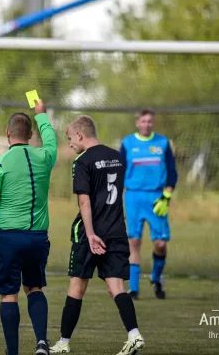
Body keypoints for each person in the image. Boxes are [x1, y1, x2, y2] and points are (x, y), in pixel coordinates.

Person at [49, 115, 145, 355]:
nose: (70, 143)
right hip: (115, 230)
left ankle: (64, 342)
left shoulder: (82, 160)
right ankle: (134, 334)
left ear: (80, 135)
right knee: (116, 287)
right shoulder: (118, 157)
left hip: (90, 234)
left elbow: (85, 201)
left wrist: (90, 234)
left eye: (70, 138)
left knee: (77, 287)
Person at [0, 99, 57, 355]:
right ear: (30, 135)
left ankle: (13, 352)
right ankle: (42, 342)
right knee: (34, 287)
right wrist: (41, 114)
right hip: (38, 238)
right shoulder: (44, 158)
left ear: (7, 133)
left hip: (8, 238)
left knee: (9, 294)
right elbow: (51, 142)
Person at [120, 109, 178, 300]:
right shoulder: (127, 144)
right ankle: (134, 289)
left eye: (150, 121)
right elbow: (120, 173)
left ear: (153, 123)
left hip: (156, 198)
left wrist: (167, 196)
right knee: (134, 241)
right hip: (134, 197)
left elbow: (171, 171)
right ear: (137, 123)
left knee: (160, 244)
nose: (146, 124)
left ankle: (156, 278)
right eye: (143, 121)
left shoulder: (162, 143)